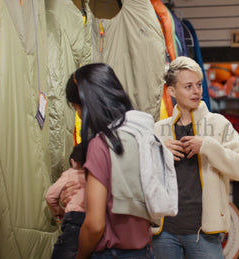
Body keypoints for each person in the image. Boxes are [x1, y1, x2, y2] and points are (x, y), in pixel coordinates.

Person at [152, 56, 239, 259]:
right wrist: (158, 152)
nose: (196, 91)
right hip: (164, 231)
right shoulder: (158, 130)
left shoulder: (219, 124)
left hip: (204, 232)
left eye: (198, 85)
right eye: (188, 86)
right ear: (171, 91)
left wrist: (207, 146)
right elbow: (141, 178)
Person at [65, 63, 154, 259]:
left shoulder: (101, 144)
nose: (79, 114)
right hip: (143, 251)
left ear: (86, 104)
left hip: (112, 253)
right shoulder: (141, 136)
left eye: (76, 107)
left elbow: (95, 225)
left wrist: (80, 256)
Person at [45, 144, 86, 259]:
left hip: (74, 220)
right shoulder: (94, 176)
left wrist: (59, 211)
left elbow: (50, 196)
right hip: (92, 220)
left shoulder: (70, 173)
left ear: (72, 162)